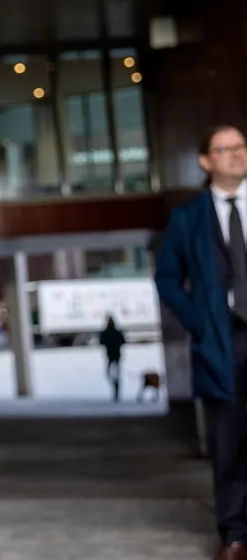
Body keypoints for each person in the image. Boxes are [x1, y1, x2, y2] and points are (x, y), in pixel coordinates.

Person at [155, 125, 247, 560]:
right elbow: (167, 278)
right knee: (228, 442)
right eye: (225, 149)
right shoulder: (188, 218)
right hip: (220, 339)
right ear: (206, 161)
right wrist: (199, 323)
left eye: (242, 146)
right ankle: (234, 535)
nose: (237, 154)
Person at [98, 316, 126, 402]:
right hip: (112, 356)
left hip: (114, 356)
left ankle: (116, 391)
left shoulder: (113, 332)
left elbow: (122, 341)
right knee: (110, 374)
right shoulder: (111, 332)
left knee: (113, 374)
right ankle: (116, 388)